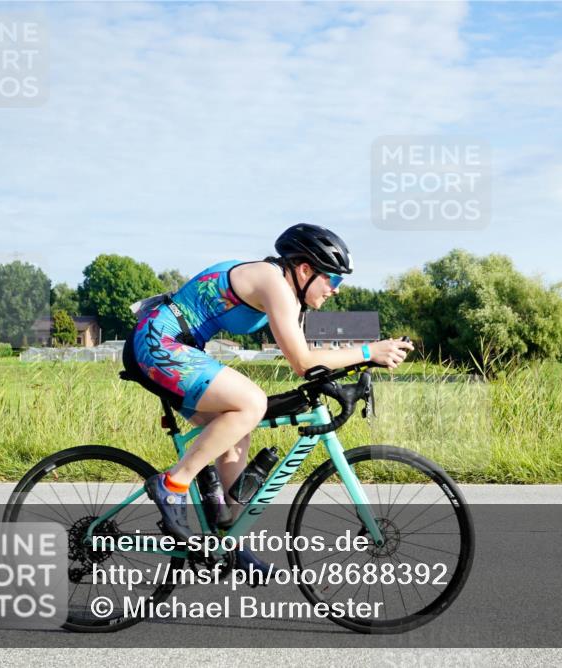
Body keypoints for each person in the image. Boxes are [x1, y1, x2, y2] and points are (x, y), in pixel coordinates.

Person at [121, 223, 413, 571]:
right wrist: (369, 350)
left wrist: (352, 367)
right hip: (158, 342)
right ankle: (173, 484)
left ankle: (228, 540)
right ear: (305, 270)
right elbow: (303, 362)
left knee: (235, 432)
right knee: (252, 402)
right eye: (332, 280)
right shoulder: (273, 282)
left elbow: (309, 360)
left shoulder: (285, 291)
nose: (335, 290)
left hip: (175, 347)